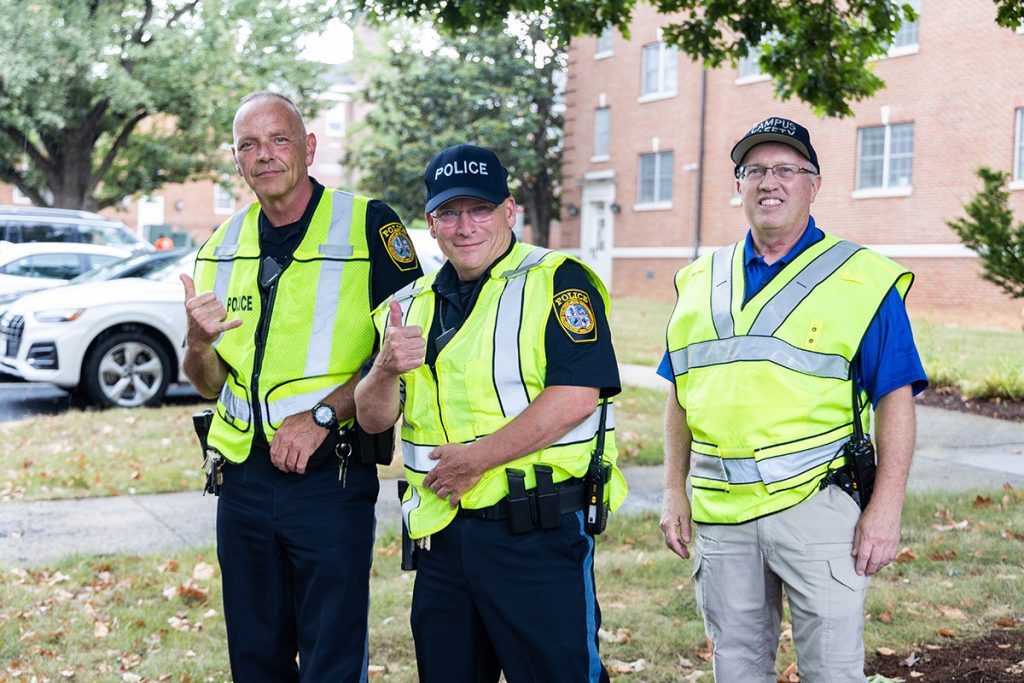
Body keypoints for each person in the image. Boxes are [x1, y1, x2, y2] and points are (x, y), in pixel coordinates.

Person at [658, 117, 928, 682]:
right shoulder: (699, 279)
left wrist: (887, 508)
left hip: (819, 508)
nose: (768, 182)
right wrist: (670, 491)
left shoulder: (861, 278)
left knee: (832, 672)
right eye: (754, 170)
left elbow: (895, 400)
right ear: (739, 185)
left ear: (814, 184)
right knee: (736, 671)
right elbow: (681, 394)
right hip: (721, 514)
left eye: (786, 169)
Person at [354, 143, 628, 682]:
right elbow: (372, 420)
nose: (465, 226)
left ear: (509, 212)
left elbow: (577, 395)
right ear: (430, 224)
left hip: (537, 536)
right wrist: (384, 369)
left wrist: (476, 460)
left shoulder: (556, 280)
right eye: (449, 213)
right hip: (444, 540)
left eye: (480, 209)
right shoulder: (410, 303)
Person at [179, 91, 422, 682]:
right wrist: (197, 342)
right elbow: (208, 385)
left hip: (329, 477)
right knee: (255, 657)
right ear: (236, 161)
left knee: (331, 657)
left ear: (308, 148)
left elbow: (401, 352)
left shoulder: (370, 226)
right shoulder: (219, 247)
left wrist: (318, 416)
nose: (265, 155)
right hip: (240, 480)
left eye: (279, 139)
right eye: (249, 145)